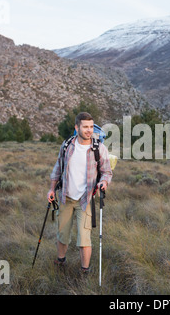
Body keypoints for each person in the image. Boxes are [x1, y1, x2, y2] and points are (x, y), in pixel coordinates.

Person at [47, 112, 112, 273]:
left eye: (91, 127)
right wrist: (51, 188)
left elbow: (107, 172)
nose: (89, 130)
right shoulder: (67, 145)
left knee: (84, 239)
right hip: (65, 198)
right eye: (85, 127)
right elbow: (58, 168)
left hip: (86, 200)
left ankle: (85, 271)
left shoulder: (99, 148)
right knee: (62, 234)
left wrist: (104, 182)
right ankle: (60, 262)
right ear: (77, 127)